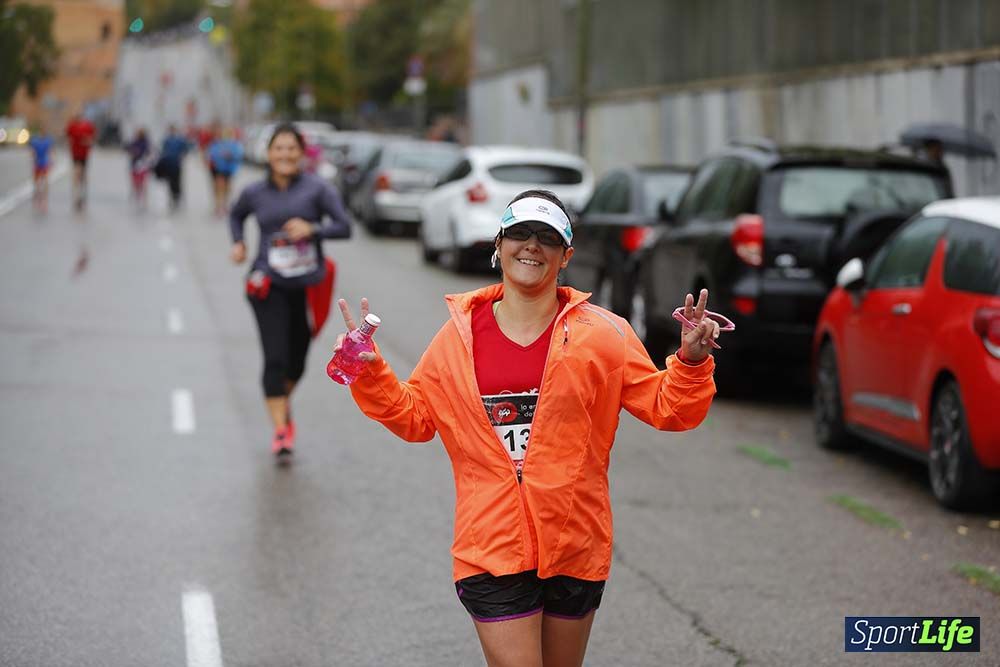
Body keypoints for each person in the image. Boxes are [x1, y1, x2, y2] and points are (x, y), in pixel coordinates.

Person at [335, 189, 721, 667]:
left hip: (574, 540)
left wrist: (690, 362)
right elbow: (416, 418)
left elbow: (669, 409)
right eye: (519, 234)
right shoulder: (458, 337)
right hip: (491, 544)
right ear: (498, 246)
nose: (531, 246)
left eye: (547, 237)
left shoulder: (604, 334)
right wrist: (370, 371)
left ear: (566, 257)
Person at [229, 123, 351, 459]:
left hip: (305, 287)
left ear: (301, 154)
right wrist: (238, 243)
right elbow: (236, 216)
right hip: (266, 286)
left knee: (296, 362)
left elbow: (345, 227)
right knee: (275, 358)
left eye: (291, 149)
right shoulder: (254, 192)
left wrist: (312, 228)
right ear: (268, 154)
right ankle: (281, 431)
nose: (285, 154)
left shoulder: (317, 190)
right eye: (278, 149)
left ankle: (281, 405)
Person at [207, 127, 244, 216]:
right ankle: (218, 206)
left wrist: (231, 156)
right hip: (219, 169)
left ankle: (225, 205)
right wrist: (220, 156)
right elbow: (211, 154)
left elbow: (239, 155)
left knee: (227, 188)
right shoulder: (217, 143)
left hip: (230, 169)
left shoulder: (235, 144)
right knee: (219, 188)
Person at [65, 113, 95, 209]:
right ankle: (76, 193)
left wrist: (86, 141)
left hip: (84, 154)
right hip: (76, 154)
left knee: (83, 174)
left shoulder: (88, 126)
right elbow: (67, 137)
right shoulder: (72, 126)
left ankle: (82, 192)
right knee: (77, 172)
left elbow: (91, 139)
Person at [157, 125, 191, 211]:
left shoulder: (179, 140)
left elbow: (186, 149)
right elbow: (162, 150)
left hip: (176, 164)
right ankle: (172, 196)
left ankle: (177, 196)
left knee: (177, 181)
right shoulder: (166, 140)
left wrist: (182, 156)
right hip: (168, 164)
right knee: (170, 181)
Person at [125, 128, 152, 208]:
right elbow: (128, 149)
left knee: (142, 182)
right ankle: (137, 195)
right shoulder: (134, 142)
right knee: (136, 181)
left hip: (143, 164)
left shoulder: (146, 143)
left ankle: (142, 197)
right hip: (135, 164)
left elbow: (148, 152)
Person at [28, 127, 54, 210]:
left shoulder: (43, 141)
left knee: (43, 181)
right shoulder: (39, 141)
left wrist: (50, 161)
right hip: (39, 163)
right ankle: (40, 196)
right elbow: (33, 152)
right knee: (39, 182)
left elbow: (49, 152)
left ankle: (42, 197)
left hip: (42, 163)